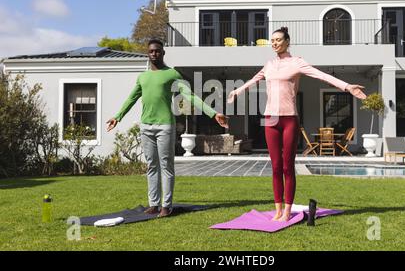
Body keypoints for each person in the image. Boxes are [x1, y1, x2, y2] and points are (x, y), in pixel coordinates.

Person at [227, 27, 366, 222]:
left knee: (287, 166)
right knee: (275, 166)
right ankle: (277, 210)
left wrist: (346, 86)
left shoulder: (297, 63)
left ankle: (287, 210)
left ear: (287, 42)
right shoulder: (269, 65)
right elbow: (253, 80)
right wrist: (237, 91)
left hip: (289, 118)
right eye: (272, 40)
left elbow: (321, 75)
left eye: (278, 40)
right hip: (271, 119)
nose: (274, 43)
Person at [107, 38, 228, 218]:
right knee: (151, 166)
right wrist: (117, 117)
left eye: (157, 51)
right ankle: (154, 204)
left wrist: (212, 113)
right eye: (151, 51)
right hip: (146, 126)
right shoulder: (143, 77)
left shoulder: (172, 74)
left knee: (166, 165)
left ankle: (166, 205)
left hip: (165, 126)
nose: (154, 54)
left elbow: (190, 96)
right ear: (147, 54)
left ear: (163, 53)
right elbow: (131, 99)